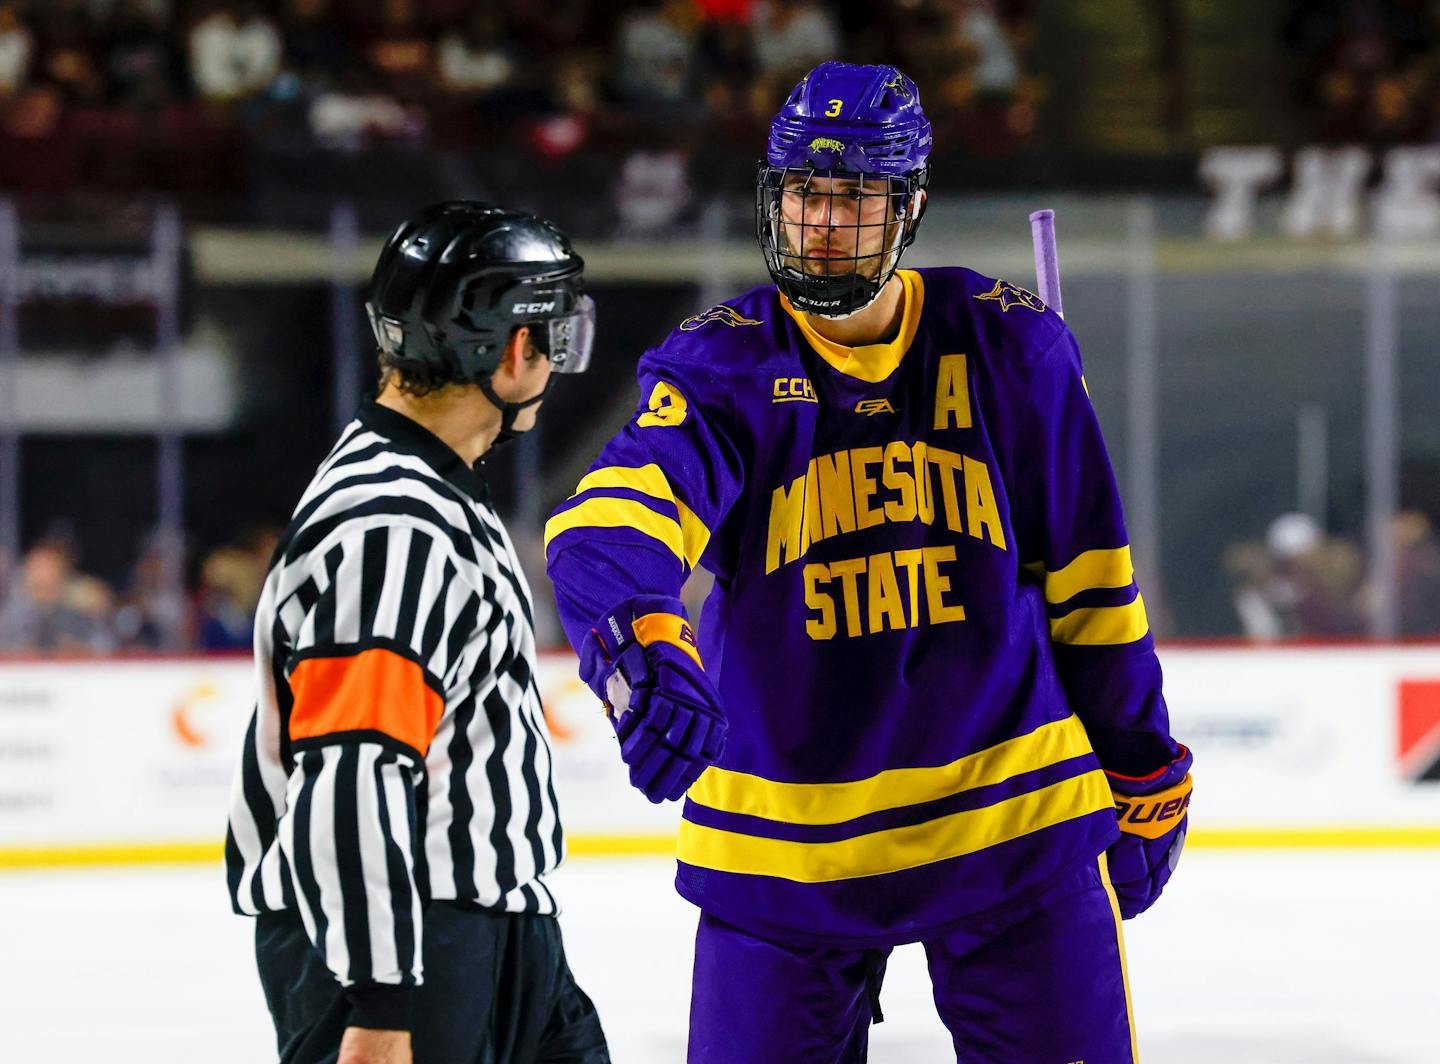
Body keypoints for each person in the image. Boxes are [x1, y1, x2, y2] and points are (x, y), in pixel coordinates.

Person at [544, 62, 1191, 1063]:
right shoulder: (721, 368)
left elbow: (1095, 593)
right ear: (774, 199)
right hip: (783, 847)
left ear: (911, 205)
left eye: (856, 198)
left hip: (1012, 822)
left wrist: (1145, 764)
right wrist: (642, 636)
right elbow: (609, 522)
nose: (825, 225)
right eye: (807, 194)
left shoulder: (1014, 349)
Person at [226, 201, 609, 1064]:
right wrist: (381, 1005)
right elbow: (355, 769)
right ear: (513, 350)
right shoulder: (390, 522)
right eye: (548, 332)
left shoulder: (423, 492)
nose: (554, 358)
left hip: (488, 929)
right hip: (417, 956)